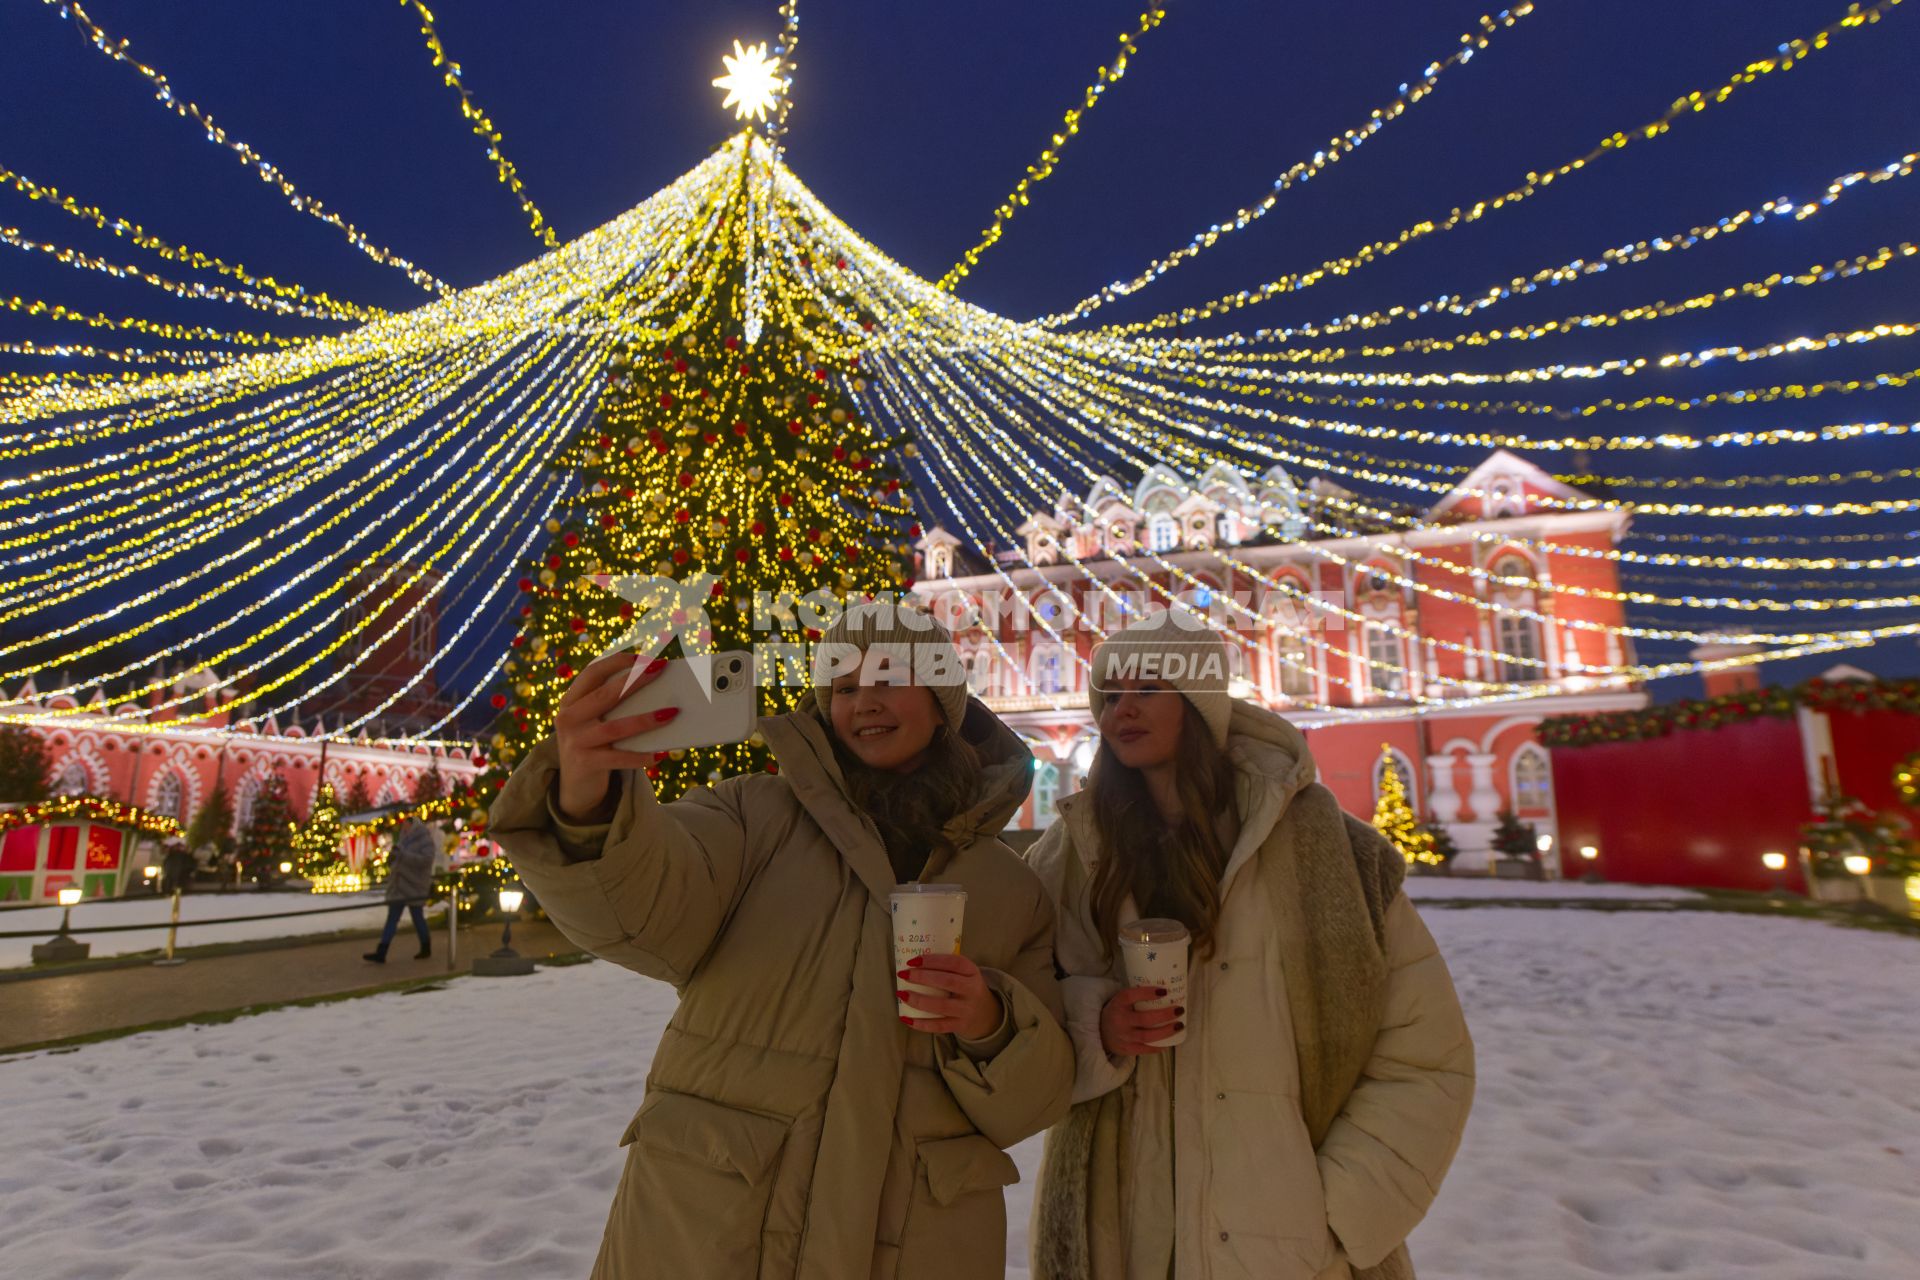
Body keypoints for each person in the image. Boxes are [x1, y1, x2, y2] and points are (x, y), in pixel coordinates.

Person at [488, 604, 1074, 1279]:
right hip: (713, 1227)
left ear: (944, 703)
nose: (864, 704)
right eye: (844, 688)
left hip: (920, 1239)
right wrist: (588, 796)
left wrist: (990, 1023)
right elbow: (641, 911)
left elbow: (1038, 1099)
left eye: (888, 679)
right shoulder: (751, 815)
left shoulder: (1011, 889)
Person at [1028, 613, 1475, 1280]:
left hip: (1289, 1247)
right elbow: (1018, 998)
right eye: (1111, 693)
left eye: (1148, 689)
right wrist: (1096, 1024)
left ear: (1199, 704)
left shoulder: (1327, 853)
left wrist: (1334, 1217)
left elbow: (1426, 1056)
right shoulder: (1074, 852)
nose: (1123, 708)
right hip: (1121, 1234)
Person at [364, 815, 436, 963]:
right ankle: (381, 951)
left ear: (414, 826)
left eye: (406, 826)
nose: (404, 828)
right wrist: (392, 858)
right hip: (399, 886)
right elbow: (400, 858)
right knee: (392, 919)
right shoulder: (403, 840)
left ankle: (425, 946)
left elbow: (426, 861)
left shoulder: (425, 840)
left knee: (417, 917)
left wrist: (403, 855)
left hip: (414, 885)